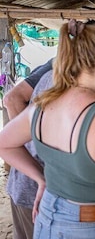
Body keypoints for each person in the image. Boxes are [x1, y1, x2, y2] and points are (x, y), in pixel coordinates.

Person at [0, 19, 95, 238]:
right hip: (93, 227)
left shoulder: (42, 107)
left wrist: (41, 178)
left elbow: (4, 144)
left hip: (47, 222)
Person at [3, 60, 53, 239]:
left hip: (27, 180)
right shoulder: (58, 67)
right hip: (34, 182)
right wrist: (31, 149)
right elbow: (11, 99)